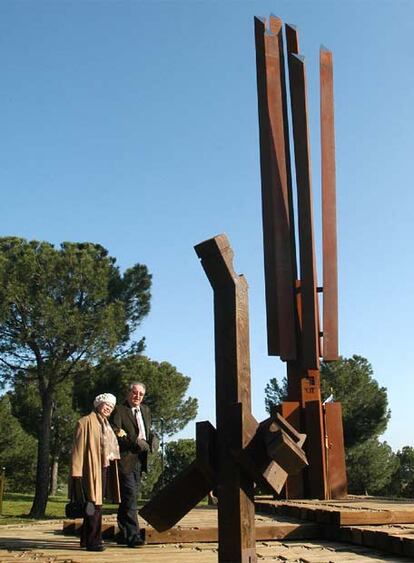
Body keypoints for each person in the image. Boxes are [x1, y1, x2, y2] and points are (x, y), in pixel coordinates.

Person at [70, 393, 121, 552]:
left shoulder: (106, 425)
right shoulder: (85, 422)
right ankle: (94, 541)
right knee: (94, 505)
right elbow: (77, 449)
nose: (108, 408)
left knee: (94, 504)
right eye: (106, 405)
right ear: (98, 404)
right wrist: (76, 471)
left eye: (111, 407)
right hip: (89, 469)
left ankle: (86, 539)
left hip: (103, 468)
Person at [111, 382, 157, 548]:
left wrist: (153, 439)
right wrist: (133, 443)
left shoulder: (145, 410)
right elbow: (115, 432)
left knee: (129, 498)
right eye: (134, 392)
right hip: (125, 459)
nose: (137, 396)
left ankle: (123, 534)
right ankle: (133, 536)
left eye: (141, 394)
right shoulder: (119, 410)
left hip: (140, 460)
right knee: (130, 497)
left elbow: (147, 431)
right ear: (128, 393)